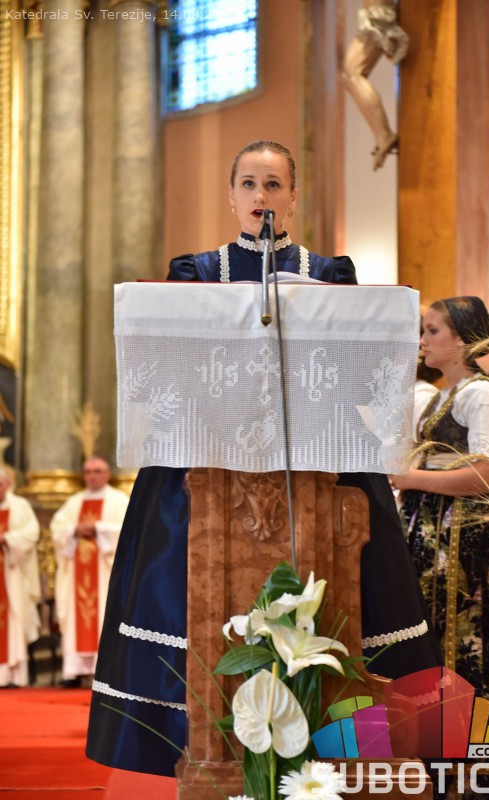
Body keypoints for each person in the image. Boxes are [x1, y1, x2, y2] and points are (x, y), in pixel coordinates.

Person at [86, 140, 439, 777]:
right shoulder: (195, 273)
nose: (261, 196)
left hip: (314, 459)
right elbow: (171, 371)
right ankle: (196, 735)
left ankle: (344, 737)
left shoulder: (330, 274)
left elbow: (356, 374)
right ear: (231, 196)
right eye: (249, 184)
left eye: (273, 185)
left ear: (293, 197)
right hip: (210, 461)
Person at [392, 297, 489, 773]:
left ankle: (482, 760)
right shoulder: (444, 395)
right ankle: (443, 750)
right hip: (440, 528)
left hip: (472, 537)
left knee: (474, 636)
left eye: (433, 331)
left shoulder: (481, 394)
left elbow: (487, 474)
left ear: (463, 340)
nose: (423, 340)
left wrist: (411, 479)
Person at [50, 456, 129, 686]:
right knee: (76, 620)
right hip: (77, 570)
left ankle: (104, 671)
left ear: (107, 474)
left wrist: (98, 528)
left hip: (105, 573)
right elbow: (57, 529)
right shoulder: (74, 502)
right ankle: (75, 672)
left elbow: (127, 531)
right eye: (88, 472)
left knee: (105, 614)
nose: (92, 476)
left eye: (97, 471)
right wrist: (74, 530)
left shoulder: (119, 500)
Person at [343, 0, 409, 171]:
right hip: (376, 13)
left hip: (379, 13)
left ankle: (383, 134)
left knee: (352, 74)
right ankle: (383, 133)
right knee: (351, 74)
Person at [0, 468, 41, 687]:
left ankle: (13, 675)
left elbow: (31, 533)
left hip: (12, 572)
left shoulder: (20, 506)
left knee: (13, 620)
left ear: (8, 485)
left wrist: (7, 539)